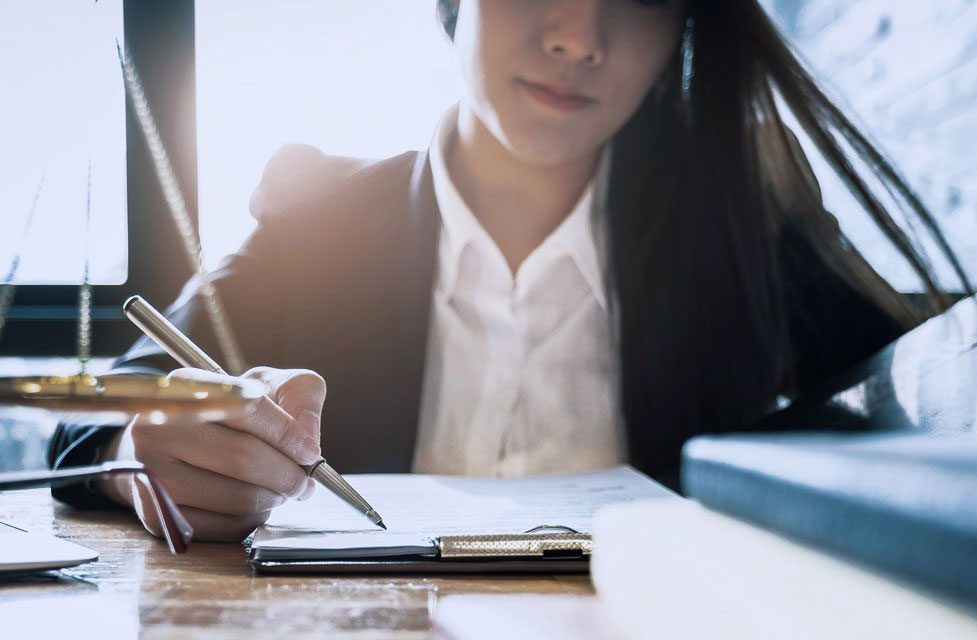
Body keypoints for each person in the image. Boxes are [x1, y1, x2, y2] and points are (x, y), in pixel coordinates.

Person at [48, 0, 970, 541]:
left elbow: (924, 410)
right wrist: (142, 458)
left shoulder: (737, 228)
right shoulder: (316, 221)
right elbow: (100, 417)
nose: (580, 36)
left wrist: (808, 226)